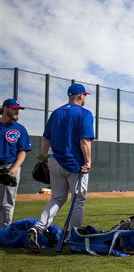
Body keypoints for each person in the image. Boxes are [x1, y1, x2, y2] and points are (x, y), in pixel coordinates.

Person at [29, 83, 94, 253]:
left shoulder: (56, 112)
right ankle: (75, 237)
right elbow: (84, 140)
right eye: (85, 95)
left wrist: (44, 157)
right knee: (78, 200)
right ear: (80, 96)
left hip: (53, 159)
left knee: (57, 198)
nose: (85, 98)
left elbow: (46, 138)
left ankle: (39, 226)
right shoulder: (85, 113)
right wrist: (88, 161)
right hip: (74, 163)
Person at [0, 99, 32, 227]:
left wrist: (15, 168)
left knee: (7, 202)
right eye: (14, 108)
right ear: (5, 109)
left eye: (18, 109)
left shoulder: (20, 129)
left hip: (10, 167)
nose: (17, 111)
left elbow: (23, 151)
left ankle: (4, 231)